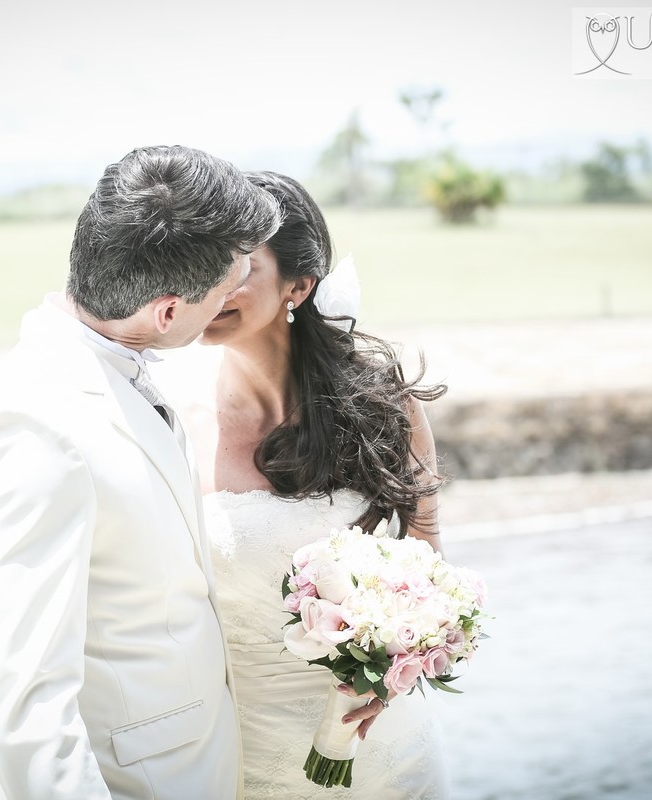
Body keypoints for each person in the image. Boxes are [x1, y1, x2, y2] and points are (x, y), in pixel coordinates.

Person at [0, 145, 281, 799]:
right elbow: (22, 711)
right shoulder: (32, 427)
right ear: (166, 310)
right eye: (224, 291)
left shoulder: (116, 371)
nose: (230, 305)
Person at [193, 171, 451, 797]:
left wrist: (397, 661)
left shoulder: (378, 397)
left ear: (299, 286)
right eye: (200, 261)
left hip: (381, 746)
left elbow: (429, 558)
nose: (208, 284)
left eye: (237, 266)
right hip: (240, 749)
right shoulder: (170, 416)